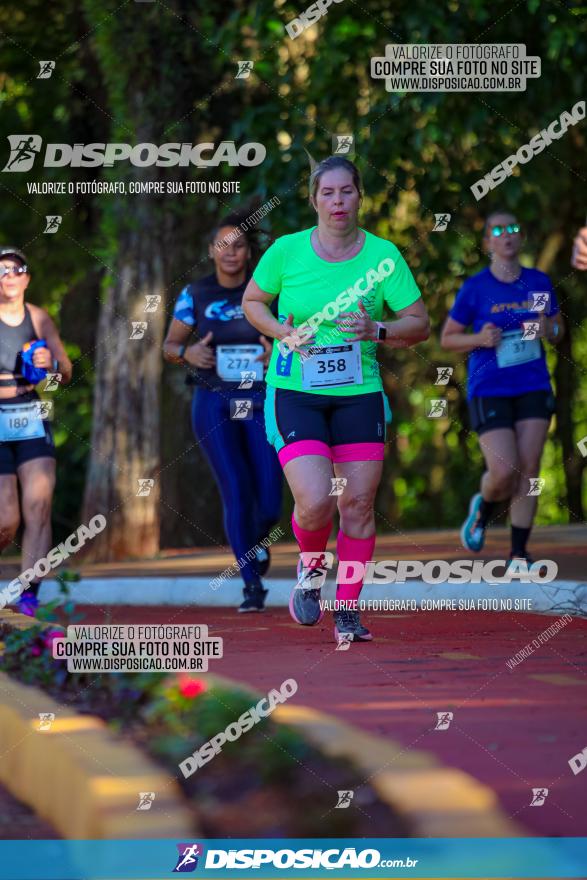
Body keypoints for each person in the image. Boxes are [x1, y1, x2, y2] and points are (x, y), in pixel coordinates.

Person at [243, 156, 429, 643]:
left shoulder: (383, 257)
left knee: (360, 505)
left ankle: (347, 607)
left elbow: (420, 322)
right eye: (328, 193)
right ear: (314, 200)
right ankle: (310, 565)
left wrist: (379, 329)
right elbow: (252, 302)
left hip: (359, 395)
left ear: (360, 196)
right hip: (296, 393)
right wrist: (282, 331)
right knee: (314, 501)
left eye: (347, 191)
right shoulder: (286, 251)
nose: (338, 201)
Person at [163, 212, 283, 612]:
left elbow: (295, 336)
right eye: (222, 245)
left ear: (249, 252)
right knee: (235, 491)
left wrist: (276, 351)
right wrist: (188, 352)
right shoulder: (196, 294)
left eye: (238, 245)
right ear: (211, 252)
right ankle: (251, 584)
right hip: (213, 401)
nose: (230, 253)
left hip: (260, 400)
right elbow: (170, 346)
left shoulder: (269, 292)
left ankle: (256, 542)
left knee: (268, 501)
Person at [441, 211, 564, 566]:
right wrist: (479, 338)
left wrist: (549, 331)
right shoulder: (476, 289)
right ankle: (483, 509)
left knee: (529, 467)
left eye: (513, 228)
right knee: (503, 471)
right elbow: (448, 338)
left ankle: (519, 553)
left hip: (533, 384)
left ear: (520, 238)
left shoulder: (538, 283)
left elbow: (556, 331)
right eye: (498, 230)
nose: (507, 235)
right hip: (490, 387)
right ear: (487, 243)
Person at [0, 247, 72, 615]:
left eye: (16, 270)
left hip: (30, 416)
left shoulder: (38, 318)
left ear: (26, 278)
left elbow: (65, 373)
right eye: (2, 271)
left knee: (39, 507)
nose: (9, 276)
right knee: (6, 519)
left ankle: (29, 594)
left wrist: (52, 363)